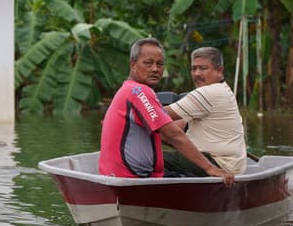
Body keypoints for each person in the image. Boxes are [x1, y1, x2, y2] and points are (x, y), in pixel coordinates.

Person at [98, 38, 235, 186]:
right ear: (133, 65)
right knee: (198, 174)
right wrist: (210, 168)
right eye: (148, 63)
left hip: (116, 175)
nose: (155, 69)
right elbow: (174, 135)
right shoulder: (139, 91)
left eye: (160, 64)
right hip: (134, 177)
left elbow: (169, 136)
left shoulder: (128, 89)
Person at [164, 46, 248, 176]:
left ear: (219, 71)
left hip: (219, 164)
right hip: (229, 164)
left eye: (203, 68)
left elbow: (156, 115)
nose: (197, 73)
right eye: (194, 69)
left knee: (150, 160)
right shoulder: (222, 89)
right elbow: (175, 128)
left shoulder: (209, 93)